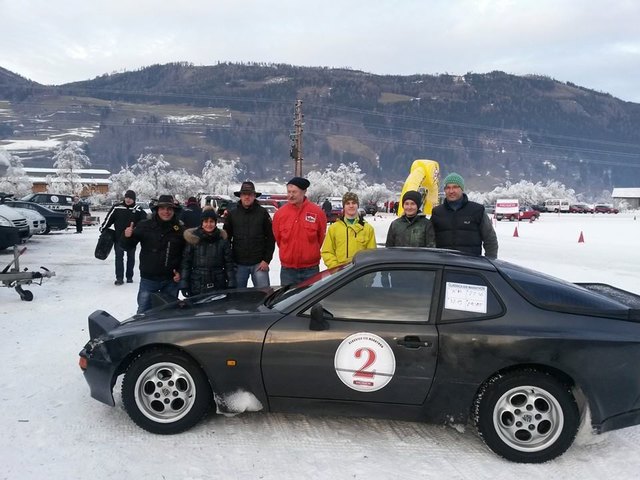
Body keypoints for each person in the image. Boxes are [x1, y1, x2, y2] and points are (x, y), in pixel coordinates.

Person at [121, 194, 186, 313]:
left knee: (169, 313)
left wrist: (180, 272)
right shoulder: (145, 225)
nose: (166, 212)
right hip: (149, 280)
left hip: (171, 280)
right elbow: (127, 246)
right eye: (162, 208)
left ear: (173, 210)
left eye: (169, 209)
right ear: (157, 210)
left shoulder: (180, 229)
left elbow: (185, 254)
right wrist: (126, 236)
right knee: (143, 312)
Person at [272, 176, 327, 285]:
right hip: (288, 271)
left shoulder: (317, 212)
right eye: (289, 192)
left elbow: (321, 237)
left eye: (294, 192)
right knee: (287, 301)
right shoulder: (280, 214)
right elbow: (278, 239)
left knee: (312, 300)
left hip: (311, 270)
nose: (290, 195)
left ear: (304, 192)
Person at [430, 173, 498, 258]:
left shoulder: (477, 210)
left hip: (469, 266)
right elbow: (429, 240)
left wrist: (490, 262)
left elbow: (490, 239)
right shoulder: (437, 212)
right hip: (444, 265)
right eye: (448, 188)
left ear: (462, 189)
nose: (451, 191)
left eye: (455, 187)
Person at [223, 181, 275, 288]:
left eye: (250, 194)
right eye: (244, 194)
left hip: (259, 264)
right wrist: (230, 260)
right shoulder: (232, 214)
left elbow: (270, 238)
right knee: (238, 298)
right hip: (238, 264)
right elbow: (226, 240)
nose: (247, 197)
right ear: (240, 196)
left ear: (254, 196)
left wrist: (266, 260)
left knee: (264, 296)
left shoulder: (262, 213)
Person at [180, 207, 236, 296]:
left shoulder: (222, 241)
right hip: (197, 283)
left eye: (211, 221)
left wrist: (231, 282)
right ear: (202, 223)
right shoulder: (194, 239)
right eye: (206, 221)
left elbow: (229, 263)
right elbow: (186, 263)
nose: (208, 224)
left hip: (218, 282)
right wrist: (184, 283)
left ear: (215, 223)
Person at [99, 190, 147, 285]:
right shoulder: (117, 207)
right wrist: (103, 228)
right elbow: (109, 219)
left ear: (134, 199)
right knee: (119, 258)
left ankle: (129, 277)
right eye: (127, 198)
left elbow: (145, 223)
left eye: (131, 198)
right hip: (118, 238)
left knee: (131, 258)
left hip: (132, 239)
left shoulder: (138, 209)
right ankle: (119, 278)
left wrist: (138, 231)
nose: (128, 200)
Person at [321, 192, 376, 268]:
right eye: (347, 203)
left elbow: (372, 255)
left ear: (357, 205)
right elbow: (327, 252)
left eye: (354, 203)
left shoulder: (368, 229)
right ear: (344, 206)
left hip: (361, 275)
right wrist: (336, 268)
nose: (351, 206)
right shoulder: (334, 228)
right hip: (341, 276)